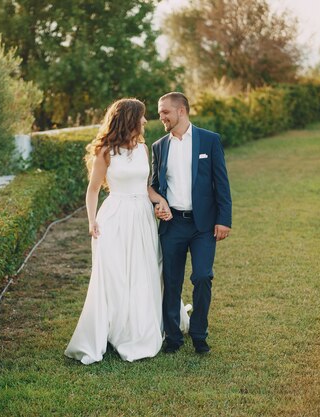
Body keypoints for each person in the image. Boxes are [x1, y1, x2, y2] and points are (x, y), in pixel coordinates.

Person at [65, 98, 190, 365]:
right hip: (115, 217)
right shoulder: (105, 151)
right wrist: (91, 221)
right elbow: (94, 189)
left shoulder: (143, 149)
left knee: (145, 270)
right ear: (129, 118)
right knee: (115, 274)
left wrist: (159, 201)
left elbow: (145, 187)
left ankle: (143, 326)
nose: (146, 121)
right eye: (142, 117)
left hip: (142, 215)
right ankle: (115, 329)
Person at [151, 92, 232, 354]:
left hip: (204, 225)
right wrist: (158, 205)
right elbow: (154, 186)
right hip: (173, 224)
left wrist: (224, 220)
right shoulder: (159, 146)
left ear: (182, 111)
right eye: (160, 112)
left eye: (165, 112)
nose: (161, 116)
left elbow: (221, 182)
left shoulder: (209, 140)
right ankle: (172, 337)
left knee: (203, 276)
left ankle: (199, 334)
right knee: (171, 281)